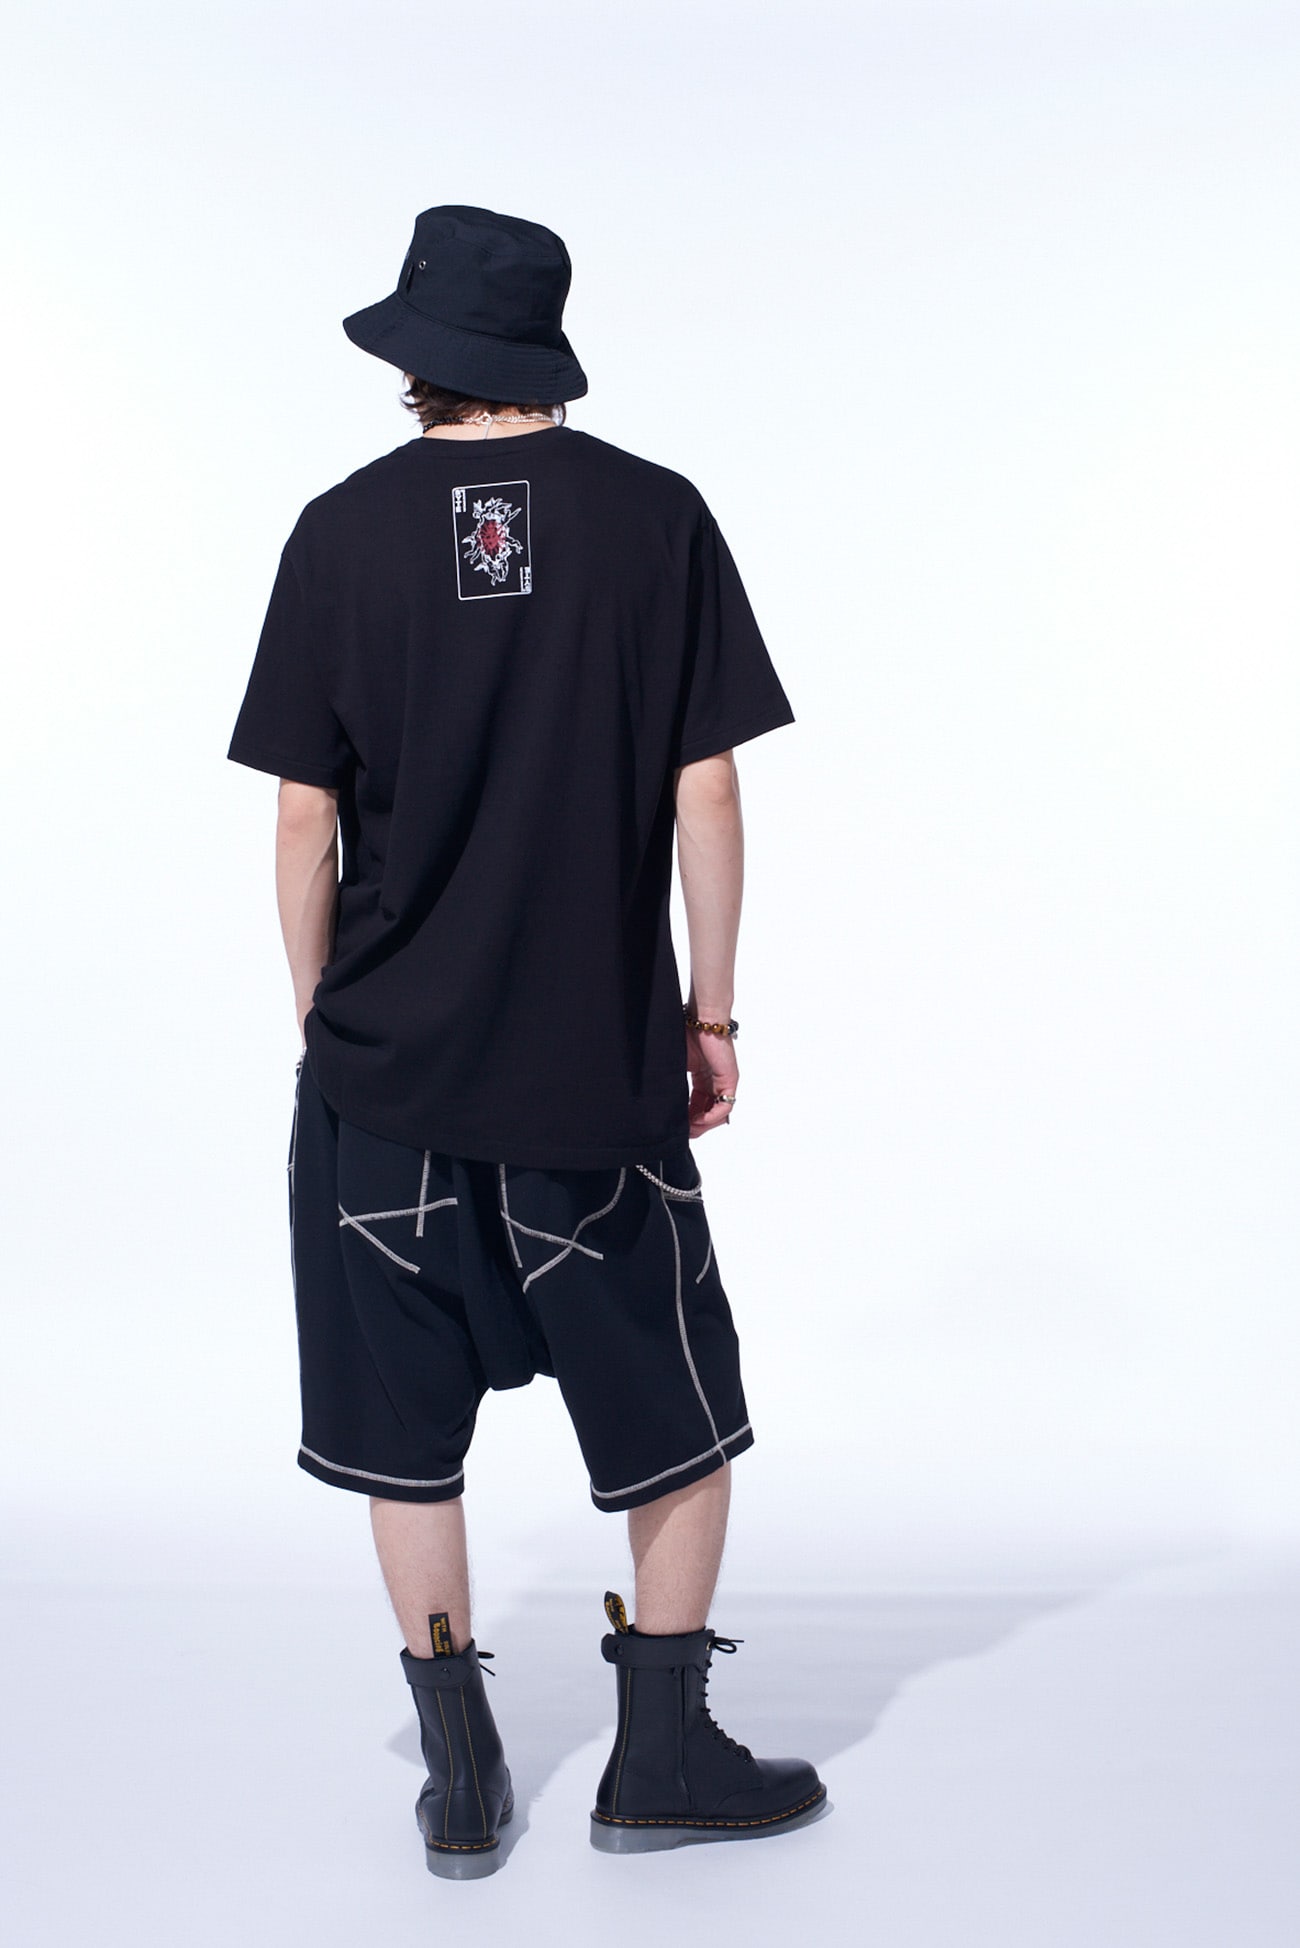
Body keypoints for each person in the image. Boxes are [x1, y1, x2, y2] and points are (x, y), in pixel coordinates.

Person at [227, 203, 827, 1878]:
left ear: (419, 353)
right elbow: (709, 791)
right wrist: (709, 1011)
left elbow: (303, 821)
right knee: (672, 1413)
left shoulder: (338, 534)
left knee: (403, 1432)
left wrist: (324, 1020)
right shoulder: (655, 517)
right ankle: (664, 1757)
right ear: (542, 347)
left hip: (387, 1081)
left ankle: (461, 1772)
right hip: (591, 1066)